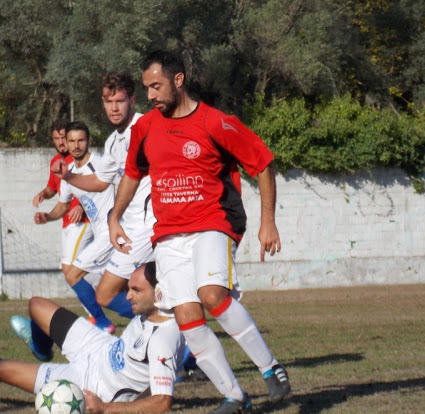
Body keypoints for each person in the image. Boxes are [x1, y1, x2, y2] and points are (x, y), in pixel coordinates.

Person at [108, 50, 291, 413]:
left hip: (214, 221)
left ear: (178, 80)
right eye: (146, 88)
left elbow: (263, 162)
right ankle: (235, 396)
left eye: (156, 86)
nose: (150, 95)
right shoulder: (145, 128)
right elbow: (132, 173)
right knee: (187, 318)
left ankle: (271, 368)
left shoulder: (215, 122)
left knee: (211, 295)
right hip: (169, 234)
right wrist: (115, 217)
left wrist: (267, 220)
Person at [0, 262, 186, 413]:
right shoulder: (153, 311)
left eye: (135, 290)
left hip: (91, 383)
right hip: (99, 347)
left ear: (160, 293)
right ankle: (41, 349)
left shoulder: (165, 338)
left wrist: (105, 407)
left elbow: (162, 402)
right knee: (36, 305)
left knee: (1, 369)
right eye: (128, 288)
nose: (128, 297)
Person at [52, 72, 153, 319]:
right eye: (109, 102)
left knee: (108, 293)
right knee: (117, 293)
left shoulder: (146, 127)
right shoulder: (112, 142)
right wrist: (68, 177)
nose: (114, 108)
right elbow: (99, 181)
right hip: (128, 227)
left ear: (131, 99)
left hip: (148, 226)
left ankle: (172, 332)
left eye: (119, 101)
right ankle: (168, 327)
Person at [35, 121, 116, 332]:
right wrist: (48, 216)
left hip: (114, 233)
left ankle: (101, 322)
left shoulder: (102, 164)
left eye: (80, 140)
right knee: (112, 284)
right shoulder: (67, 171)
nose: (75, 145)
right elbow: (62, 205)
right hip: (101, 235)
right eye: (71, 141)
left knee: (73, 273)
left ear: (89, 141)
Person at [32, 119, 91, 276]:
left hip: (83, 223)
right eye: (56, 139)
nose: (60, 142)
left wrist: (82, 206)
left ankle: (103, 298)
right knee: (78, 271)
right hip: (67, 223)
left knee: (70, 270)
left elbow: (97, 187)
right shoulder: (57, 161)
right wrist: (43, 195)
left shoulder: (83, 160)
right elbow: (53, 189)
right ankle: (103, 297)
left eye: (63, 138)